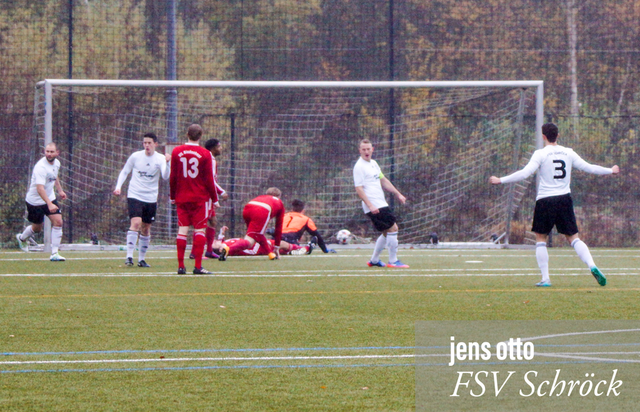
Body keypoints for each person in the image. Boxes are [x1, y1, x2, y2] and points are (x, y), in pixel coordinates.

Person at [490, 122, 619, 287]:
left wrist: (501, 180)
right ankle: (592, 265)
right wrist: (610, 170)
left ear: (543, 136)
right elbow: (589, 168)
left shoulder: (540, 154)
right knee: (573, 238)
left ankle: (545, 279)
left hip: (545, 200)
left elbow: (525, 173)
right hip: (564, 199)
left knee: (540, 238)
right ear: (557, 136)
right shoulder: (568, 152)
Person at [113, 132, 170, 268]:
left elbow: (165, 176)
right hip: (135, 194)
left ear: (155, 144)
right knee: (136, 223)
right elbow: (125, 171)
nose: (146, 145)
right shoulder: (136, 156)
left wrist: (168, 163)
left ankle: (142, 259)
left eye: (149, 143)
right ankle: (129, 257)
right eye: (145, 143)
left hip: (150, 197)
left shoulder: (160, 158)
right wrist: (118, 187)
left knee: (146, 228)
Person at [170, 124, 219, 275]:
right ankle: (198, 266)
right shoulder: (205, 154)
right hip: (199, 198)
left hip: (182, 197)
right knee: (199, 230)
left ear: (187, 134)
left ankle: (181, 266)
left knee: (182, 230)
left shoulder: (176, 151)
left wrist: (172, 196)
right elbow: (209, 180)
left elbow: (173, 177)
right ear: (201, 136)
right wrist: (214, 198)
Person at [354, 139, 409, 268]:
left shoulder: (373, 163)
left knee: (386, 232)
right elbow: (359, 188)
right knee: (393, 228)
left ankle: (374, 260)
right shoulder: (359, 166)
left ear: (372, 149)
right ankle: (393, 261)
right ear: (360, 151)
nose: (366, 151)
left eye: (368, 149)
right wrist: (370, 204)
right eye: (364, 149)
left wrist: (398, 193)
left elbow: (383, 180)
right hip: (373, 203)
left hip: (380, 202)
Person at [16, 142, 67, 261]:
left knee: (58, 222)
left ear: (57, 153)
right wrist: (49, 204)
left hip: (49, 197)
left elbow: (54, 176)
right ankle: (22, 238)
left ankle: (54, 253)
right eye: (47, 151)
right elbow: (40, 188)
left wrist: (60, 191)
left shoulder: (57, 163)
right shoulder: (40, 167)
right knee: (37, 228)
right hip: (35, 202)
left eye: (51, 152)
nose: (48, 154)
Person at [218, 187, 285, 261]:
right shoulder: (280, 203)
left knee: (252, 236)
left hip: (247, 208)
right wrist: (276, 247)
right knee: (251, 240)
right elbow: (278, 227)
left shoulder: (261, 197)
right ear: (279, 196)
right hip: (262, 210)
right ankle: (229, 249)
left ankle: (270, 253)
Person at [189, 138, 228, 260]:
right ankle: (195, 252)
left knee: (212, 221)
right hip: (204, 196)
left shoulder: (209, 158)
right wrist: (221, 192)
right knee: (201, 223)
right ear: (213, 148)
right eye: (219, 146)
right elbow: (209, 179)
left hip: (208, 196)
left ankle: (208, 251)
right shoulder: (209, 159)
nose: (221, 148)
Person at [214, 226, 312, 257]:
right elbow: (241, 245)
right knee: (280, 244)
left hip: (254, 245)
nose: (213, 241)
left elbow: (219, 241)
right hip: (255, 248)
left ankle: (295, 251)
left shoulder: (223, 243)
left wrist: (221, 233)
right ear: (219, 249)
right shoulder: (226, 248)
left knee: (279, 248)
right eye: (213, 243)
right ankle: (306, 248)